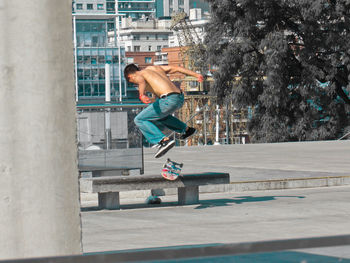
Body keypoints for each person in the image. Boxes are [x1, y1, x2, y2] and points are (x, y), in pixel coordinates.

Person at [124, 64, 203, 158]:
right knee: (158, 116)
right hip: (179, 98)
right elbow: (176, 68)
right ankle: (186, 130)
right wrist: (196, 75)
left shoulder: (140, 74)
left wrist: (142, 95)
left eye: (133, 82)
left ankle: (163, 141)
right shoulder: (155, 68)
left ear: (130, 76)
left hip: (168, 99)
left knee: (139, 119)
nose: (136, 84)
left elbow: (141, 81)